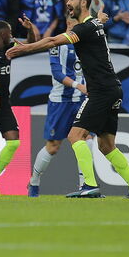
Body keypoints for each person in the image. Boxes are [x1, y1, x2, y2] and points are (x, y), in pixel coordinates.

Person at [7, 0, 129, 198]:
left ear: (83, 2)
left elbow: (53, 40)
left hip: (101, 90)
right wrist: (100, 18)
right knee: (107, 146)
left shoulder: (85, 28)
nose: (68, 2)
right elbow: (94, 24)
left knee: (75, 136)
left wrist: (25, 49)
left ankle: (89, 186)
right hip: (113, 89)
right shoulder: (93, 25)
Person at [0, 17, 39, 197]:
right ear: (2, 34)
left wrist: (30, 29)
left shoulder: (10, 50)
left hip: (3, 104)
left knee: (14, 140)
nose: (11, 35)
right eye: (9, 32)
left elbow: (31, 45)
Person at [31, 13, 91, 196]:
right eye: (76, 22)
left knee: (86, 141)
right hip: (61, 102)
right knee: (53, 146)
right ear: (69, 23)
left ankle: (85, 186)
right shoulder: (58, 43)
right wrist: (77, 85)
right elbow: (57, 72)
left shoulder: (88, 43)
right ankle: (34, 182)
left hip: (81, 101)